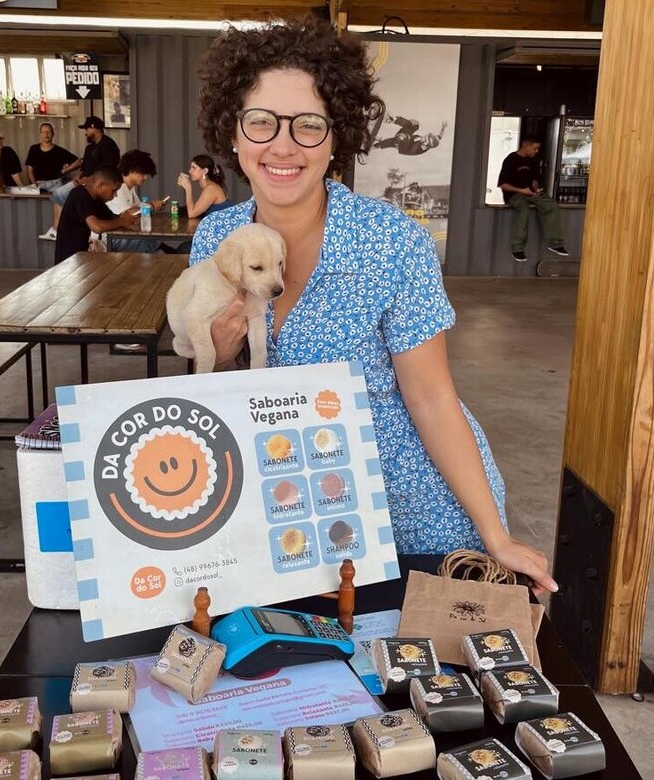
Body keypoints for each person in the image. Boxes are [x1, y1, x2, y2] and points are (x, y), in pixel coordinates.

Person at [191, 15, 557, 595]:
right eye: (260, 122)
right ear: (232, 133)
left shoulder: (391, 241)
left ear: (337, 137)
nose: (282, 145)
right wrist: (217, 351)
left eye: (308, 125)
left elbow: (432, 395)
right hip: (290, 510)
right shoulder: (215, 239)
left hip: (410, 513)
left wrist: (496, 536)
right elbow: (215, 384)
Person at [42, 116, 121, 241]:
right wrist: (78, 178)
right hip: (83, 181)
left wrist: (89, 180)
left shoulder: (108, 145)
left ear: (93, 128)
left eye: (86, 129)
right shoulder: (89, 148)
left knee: (61, 194)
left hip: (96, 184)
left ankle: (57, 229)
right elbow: (84, 167)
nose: (85, 133)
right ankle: (56, 229)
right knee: (58, 194)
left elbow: (107, 170)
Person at [498, 135, 568, 262]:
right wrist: (522, 190)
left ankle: (555, 244)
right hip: (514, 194)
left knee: (551, 205)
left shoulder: (533, 160)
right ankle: (517, 248)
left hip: (530, 192)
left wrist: (535, 189)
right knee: (524, 210)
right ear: (526, 146)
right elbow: (503, 185)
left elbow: (535, 178)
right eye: (534, 149)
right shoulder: (511, 160)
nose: (536, 151)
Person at [54, 165, 138, 265]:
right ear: (100, 186)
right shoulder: (79, 195)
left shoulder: (96, 200)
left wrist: (128, 217)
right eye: (113, 190)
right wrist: (122, 221)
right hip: (68, 262)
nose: (115, 195)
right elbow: (96, 227)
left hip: (81, 257)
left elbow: (114, 218)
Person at [103, 149, 168, 253]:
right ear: (132, 169)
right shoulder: (118, 188)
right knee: (149, 242)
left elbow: (138, 206)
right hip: (113, 238)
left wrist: (153, 205)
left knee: (155, 245)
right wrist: (151, 206)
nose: (145, 177)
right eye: (143, 173)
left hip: (124, 235)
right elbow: (129, 213)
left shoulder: (130, 188)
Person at [25, 122, 77, 192]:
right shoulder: (34, 149)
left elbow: (79, 161)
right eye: (43, 132)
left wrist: (65, 170)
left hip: (55, 183)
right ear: (40, 134)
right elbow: (29, 170)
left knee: (59, 200)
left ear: (53, 134)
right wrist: (34, 184)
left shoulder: (59, 151)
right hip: (38, 183)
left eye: (48, 132)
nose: (46, 134)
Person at [373, 115, 448, 156]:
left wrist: (381, 144)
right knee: (415, 124)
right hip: (406, 137)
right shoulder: (430, 142)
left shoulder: (419, 148)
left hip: (402, 146)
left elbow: (403, 149)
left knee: (402, 138)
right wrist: (443, 128)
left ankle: (376, 145)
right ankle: (391, 119)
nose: (423, 137)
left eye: (424, 138)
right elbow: (439, 136)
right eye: (425, 135)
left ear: (425, 143)